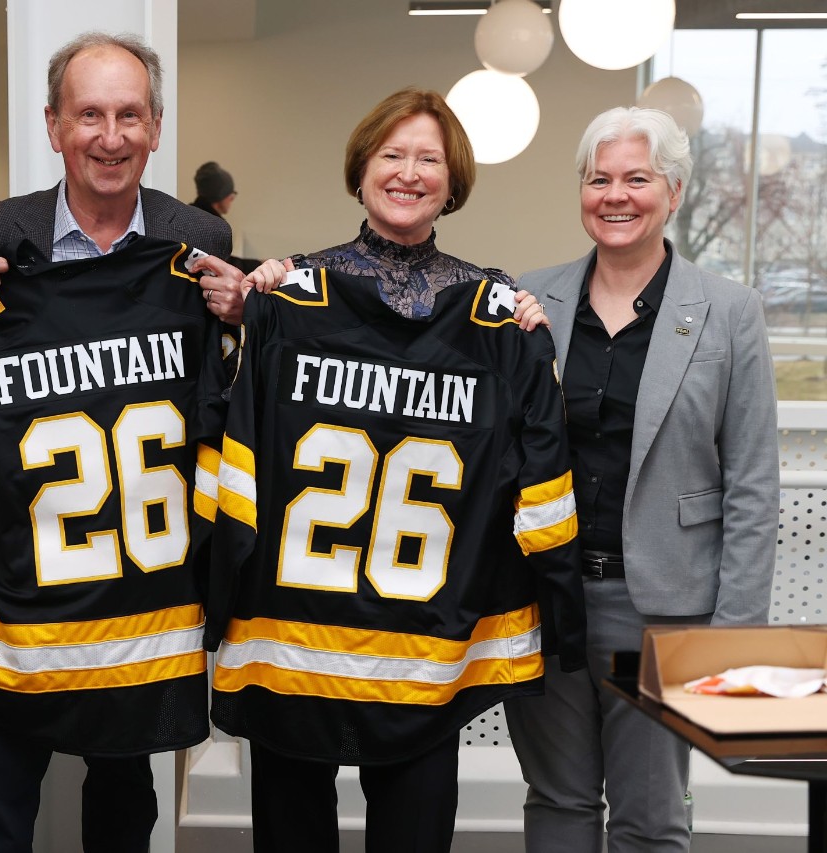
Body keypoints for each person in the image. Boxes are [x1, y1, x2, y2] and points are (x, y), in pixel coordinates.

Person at [0, 30, 240, 853]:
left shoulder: (197, 246)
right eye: (89, 116)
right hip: (20, 588)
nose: (109, 137)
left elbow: (228, 395)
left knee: (124, 804)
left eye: (128, 116)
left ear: (154, 127)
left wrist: (249, 321)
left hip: (143, 595)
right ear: (52, 125)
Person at [237, 87, 553, 852]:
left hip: (426, 645)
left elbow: (532, 470)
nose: (409, 173)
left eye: (429, 159)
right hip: (296, 640)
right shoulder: (287, 298)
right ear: (361, 168)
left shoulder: (496, 316)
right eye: (393, 155)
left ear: (454, 181)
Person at [502, 106, 779, 853]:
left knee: (652, 819)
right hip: (547, 597)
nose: (615, 195)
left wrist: (733, 638)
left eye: (636, 178)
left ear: (676, 192)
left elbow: (753, 484)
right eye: (598, 179)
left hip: (664, 609)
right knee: (556, 800)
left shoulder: (729, 311)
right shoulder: (533, 299)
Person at [189, 161, 259, 273]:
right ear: (220, 196)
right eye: (231, 194)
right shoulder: (211, 225)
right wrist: (259, 265)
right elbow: (223, 265)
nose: (232, 199)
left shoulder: (191, 214)